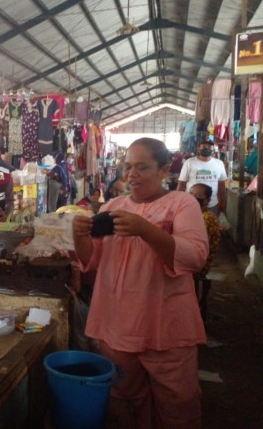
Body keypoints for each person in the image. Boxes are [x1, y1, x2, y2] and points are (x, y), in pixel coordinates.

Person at [72, 137, 208, 427]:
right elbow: (90, 261)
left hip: (165, 327)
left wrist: (146, 230)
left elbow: (195, 257)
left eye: (142, 167)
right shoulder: (113, 205)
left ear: (164, 169)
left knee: (177, 403)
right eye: (128, 167)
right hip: (117, 326)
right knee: (124, 399)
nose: (132, 174)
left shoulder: (182, 204)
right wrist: (80, 236)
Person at [189, 183, 221, 325]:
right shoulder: (196, 215)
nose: (193, 198)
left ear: (208, 200)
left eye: (198, 196)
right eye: (190, 195)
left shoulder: (207, 218)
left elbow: (197, 247)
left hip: (199, 263)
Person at [178, 138, 227, 215]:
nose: (206, 148)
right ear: (198, 149)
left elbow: (221, 185)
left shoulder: (219, 163)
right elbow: (181, 184)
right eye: (204, 146)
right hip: (191, 204)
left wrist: (223, 201)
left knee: (211, 225)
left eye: (209, 147)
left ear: (213, 150)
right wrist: (178, 202)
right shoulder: (189, 162)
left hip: (212, 204)